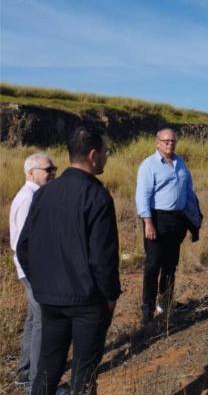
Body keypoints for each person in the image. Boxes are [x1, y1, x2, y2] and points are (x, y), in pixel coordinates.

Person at [16, 125, 121, 395]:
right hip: (87, 303)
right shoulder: (97, 196)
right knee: (84, 376)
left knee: (48, 369)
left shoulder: (43, 194)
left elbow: (23, 246)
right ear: (94, 155)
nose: (107, 157)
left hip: (51, 299)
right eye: (106, 152)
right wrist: (110, 297)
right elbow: (104, 258)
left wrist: (41, 284)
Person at [135, 128, 202, 322]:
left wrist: (194, 220)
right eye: (165, 141)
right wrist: (148, 222)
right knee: (153, 265)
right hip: (157, 219)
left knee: (170, 265)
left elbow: (189, 193)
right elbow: (143, 196)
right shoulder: (149, 165)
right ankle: (147, 310)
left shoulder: (181, 163)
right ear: (157, 143)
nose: (169, 144)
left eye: (173, 141)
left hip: (177, 221)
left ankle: (166, 303)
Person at [9, 153, 56, 388]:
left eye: (53, 168)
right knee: (42, 321)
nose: (53, 173)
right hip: (33, 270)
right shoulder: (29, 198)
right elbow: (25, 243)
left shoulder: (34, 195)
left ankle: (25, 372)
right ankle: (38, 381)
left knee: (32, 319)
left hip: (30, 269)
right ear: (31, 172)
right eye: (48, 169)